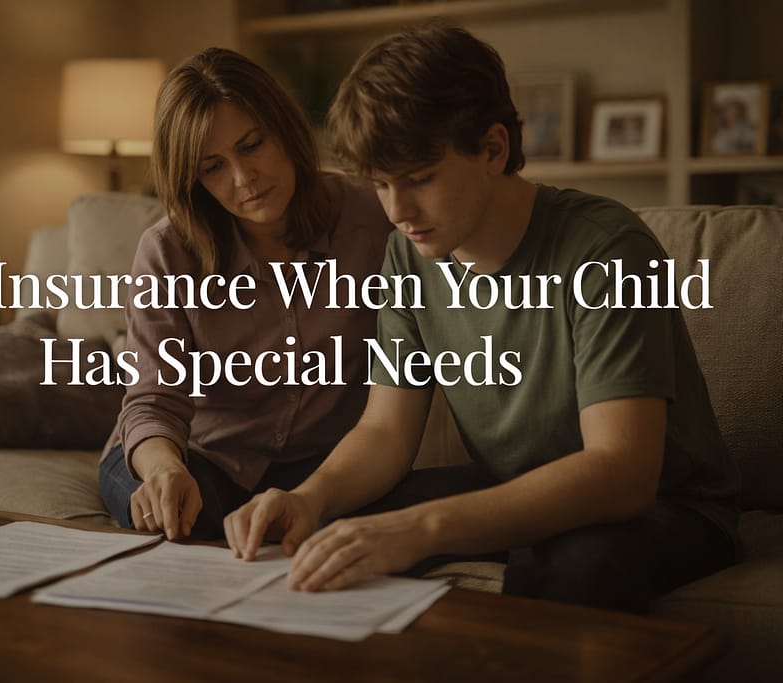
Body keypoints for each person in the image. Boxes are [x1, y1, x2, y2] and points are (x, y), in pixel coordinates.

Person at [224, 23, 739, 613]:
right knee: (332, 528)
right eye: (381, 185)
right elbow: (385, 432)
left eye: (419, 179)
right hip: (508, 483)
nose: (398, 211)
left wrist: (422, 529)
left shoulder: (607, 250)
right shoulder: (408, 255)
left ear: (493, 149)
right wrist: (309, 498)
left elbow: (620, 472)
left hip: (666, 507)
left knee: (580, 563)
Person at [98, 48, 394, 541]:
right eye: (213, 167)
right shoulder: (169, 251)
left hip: (320, 465)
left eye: (252, 145)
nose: (243, 178)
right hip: (193, 454)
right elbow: (153, 399)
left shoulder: (373, 219)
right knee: (182, 515)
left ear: (284, 128)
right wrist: (164, 470)